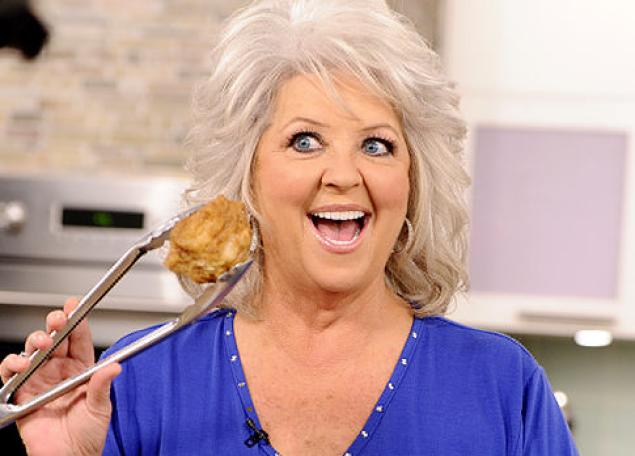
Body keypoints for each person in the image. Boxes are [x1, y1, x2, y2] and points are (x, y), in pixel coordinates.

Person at [0, 0, 579, 454]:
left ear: (413, 181)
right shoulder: (135, 378)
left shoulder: (504, 389)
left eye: (377, 145)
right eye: (305, 141)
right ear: (248, 177)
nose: (344, 175)